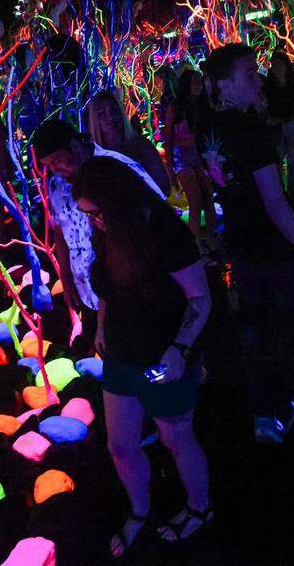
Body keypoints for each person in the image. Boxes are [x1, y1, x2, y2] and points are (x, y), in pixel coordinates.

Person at [202, 43, 294, 443]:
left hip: (241, 243)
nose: (259, 78)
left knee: (253, 328)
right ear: (224, 85)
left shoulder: (210, 128)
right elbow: (275, 201)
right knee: (280, 329)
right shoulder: (251, 131)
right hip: (272, 245)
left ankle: (262, 413)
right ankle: (283, 409)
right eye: (248, 74)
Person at [72, 156, 213, 556]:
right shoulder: (108, 230)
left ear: (117, 202)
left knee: (174, 435)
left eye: (96, 212)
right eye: (87, 213)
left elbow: (201, 298)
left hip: (162, 362)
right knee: (120, 443)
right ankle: (140, 510)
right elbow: (109, 287)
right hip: (123, 359)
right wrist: (100, 326)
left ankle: (200, 507)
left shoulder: (166, 232)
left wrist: (179, 351)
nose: (93, 221)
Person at [31, 118, 164, 317]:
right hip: (86, 292)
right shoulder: (57, 184)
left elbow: (157, 213)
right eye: (48, 165)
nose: (54, 169)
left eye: (57, 160)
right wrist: (66, 279)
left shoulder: (118, 167)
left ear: (74, 146)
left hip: (129, 290)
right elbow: (60, 230)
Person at [161, 68, 217, 248]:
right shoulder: (176, 107)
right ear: (185, 85)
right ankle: (195, 246)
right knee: (195, 201)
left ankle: (212, 238)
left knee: (208, 196)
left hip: (198, 156)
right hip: (182, 157)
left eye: (199, 81)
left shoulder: (201, 105)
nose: (198, 86)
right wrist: (170, 172)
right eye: (194, 82)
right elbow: (168, 139)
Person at [86, 90, 171, 196]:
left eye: (114, 110)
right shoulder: (94, 158)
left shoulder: (141, 147)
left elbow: (164, 188)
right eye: (101, 113)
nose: (110, 117)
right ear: (94, 120)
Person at [263, 51, 294, 207]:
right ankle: (280, 195)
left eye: (280, 64)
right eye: (275, 65)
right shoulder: (268, 86)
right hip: (276, 126)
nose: (277, 68)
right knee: (276, 159)